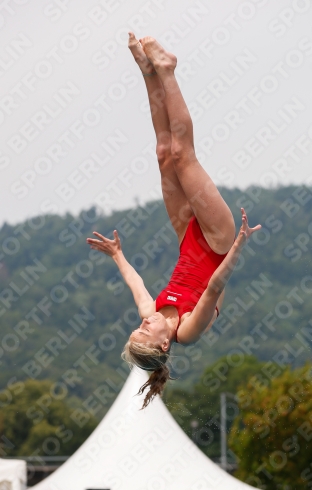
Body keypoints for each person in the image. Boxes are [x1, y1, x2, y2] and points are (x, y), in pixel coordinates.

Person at [86, 34, 261, 409]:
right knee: (183, 156)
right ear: (164, 345)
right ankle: (167, 70)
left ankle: (148, 73)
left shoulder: (152, 314)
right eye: (143, 334)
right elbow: (213, 287)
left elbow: (134, 283)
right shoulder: (186, 331)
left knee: (164, 154)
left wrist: (117, 254)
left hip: (187, 237)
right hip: (217, 240)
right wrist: (238, 246)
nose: (142, 325)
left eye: (138, 328)